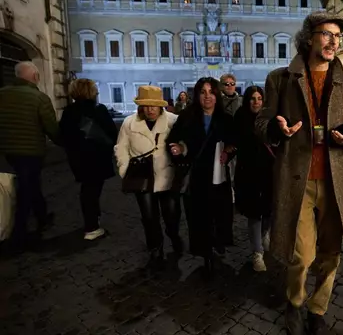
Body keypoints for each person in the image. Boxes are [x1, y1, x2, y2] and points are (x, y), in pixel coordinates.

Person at [255, 11, 343, 334]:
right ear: (309, 37)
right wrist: (276, 129)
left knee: (331, 255)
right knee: (302, 255)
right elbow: (262, 122)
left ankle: (317, 309)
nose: (333, 41)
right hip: (298, 179)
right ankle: (295, 303)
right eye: (326, 34)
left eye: (338, 36)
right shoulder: (280, 79)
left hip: (338, 180)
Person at [166, 77, 235, 275]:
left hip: (217, 175)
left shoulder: (225, 118)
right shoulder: (187, 116)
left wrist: (228, 151)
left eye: (211, 92)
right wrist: (179, 148)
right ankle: (205, 252)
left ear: (217, 95)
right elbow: (173, 141)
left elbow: (234, 142)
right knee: (198, 216)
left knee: (218, 213)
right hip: (195, 176)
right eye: (203, 92)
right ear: (197, 95)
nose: (207, 96)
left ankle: (217, 243)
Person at [114, 86, 183, 269]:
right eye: (146, 105)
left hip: (167, 176)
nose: (150, 109)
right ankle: (156, 248)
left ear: (161, 106)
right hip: (142, 177)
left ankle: (174, 235)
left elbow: (184, 143)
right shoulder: (130, 123)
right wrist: (125, 169)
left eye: (154, 105)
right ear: (141, 106)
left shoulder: (174, 121)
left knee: (172, 215)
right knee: (149, 217)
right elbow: (121, 147)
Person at [0, 61, 60, 252]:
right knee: (26, 190)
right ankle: (19, 233)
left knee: (30, 186)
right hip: (30, 152)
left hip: (6, 152)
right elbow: (52, 128)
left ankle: (42, 217)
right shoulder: (39, 98)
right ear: (35, 77)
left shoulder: (1, 95)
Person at [59, 79, 118, 241]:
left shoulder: (68, 111)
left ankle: (93, 220)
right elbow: (112, 133)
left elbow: (63, 136)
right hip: (97, 157)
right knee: (91, 192)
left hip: (78, 158)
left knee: (88, 189)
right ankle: (91, 227)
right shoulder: (99, 110)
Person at [232, 86, 273, 272]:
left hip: (269, 171)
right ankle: (257, 253)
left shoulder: (270, 118)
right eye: (252, 98)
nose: (256, 101)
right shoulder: (240, 118)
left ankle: (265, 235)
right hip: (248, 172)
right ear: (247, 100)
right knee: (255, 213)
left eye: (259, 98)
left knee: (269, 211)